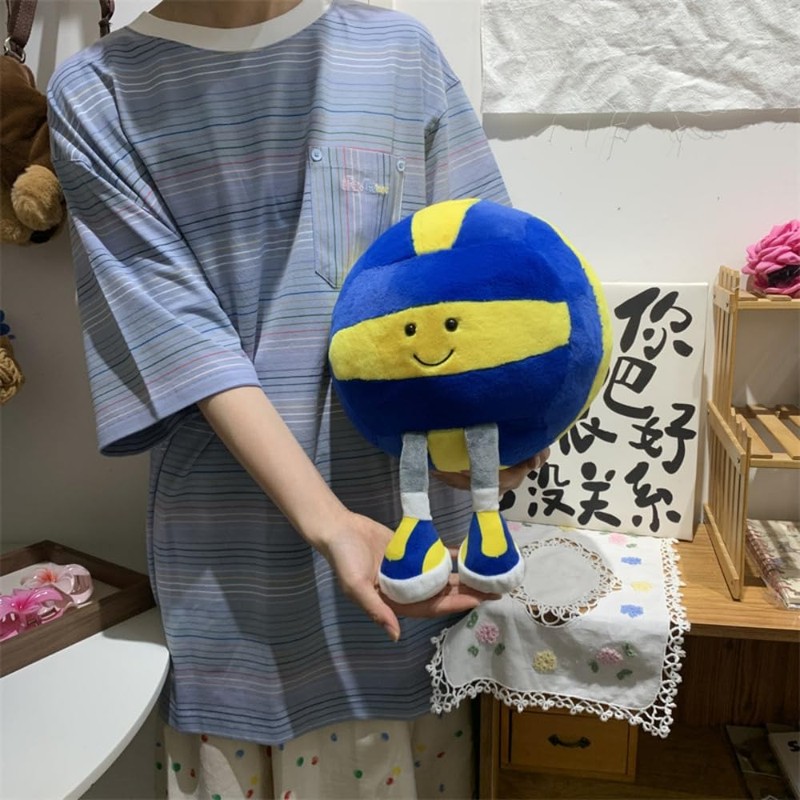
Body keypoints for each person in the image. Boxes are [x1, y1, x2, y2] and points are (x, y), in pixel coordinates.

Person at [48, 1, 548, 796]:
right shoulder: (95, 91)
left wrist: (510, 436)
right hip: (236, 576)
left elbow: (494, 282)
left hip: (416, 563)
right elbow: (181, 339)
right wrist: (329, 523)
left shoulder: (399, 54)